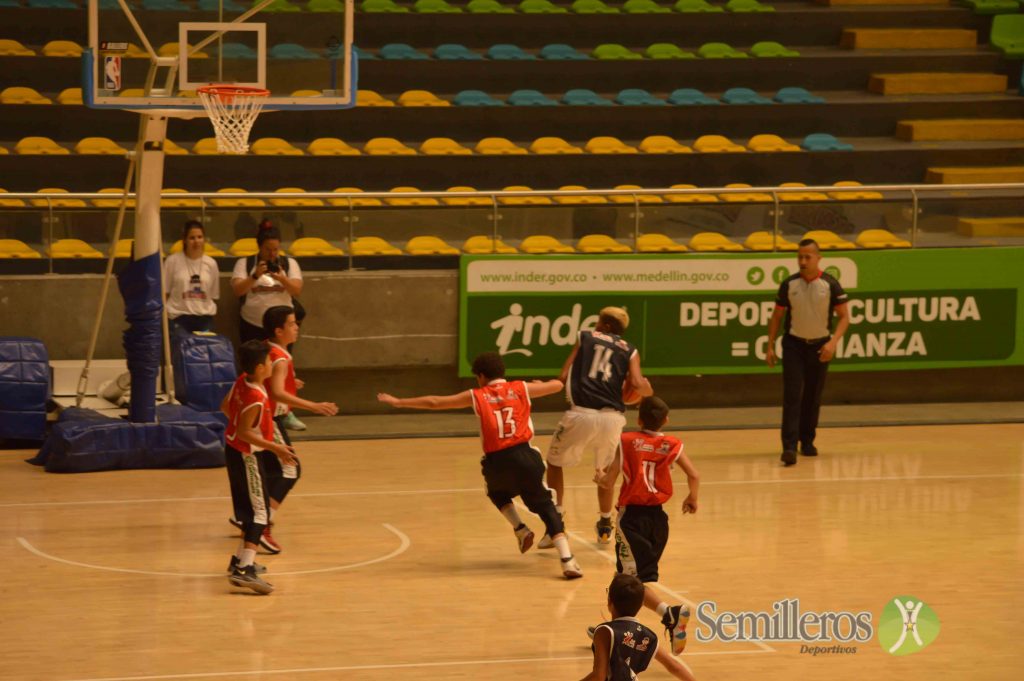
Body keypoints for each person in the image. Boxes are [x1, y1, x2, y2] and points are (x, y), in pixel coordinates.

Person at [377, 352, 584, 580]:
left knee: (495, 491)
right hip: (525, 456)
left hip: (497, 461)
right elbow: (557, 385)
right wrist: (542, 384)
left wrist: (399, 402)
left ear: (482, 376)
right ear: (503, 373)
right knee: (547, 505)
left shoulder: (478, 395)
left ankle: (520, 528)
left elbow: (435, 402)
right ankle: (568, 561)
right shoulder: (521, 388)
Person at [544, 306, 653, 547]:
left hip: (581, 413)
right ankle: (605, 524)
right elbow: (636, 383)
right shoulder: (630, 350)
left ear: (604, 325)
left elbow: (564, 375)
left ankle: (557, 520)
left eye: (598, 322)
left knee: (554, 463)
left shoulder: (585, 336)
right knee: (605, 473)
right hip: (612, 418)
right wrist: (647, 393)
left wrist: (545, 386)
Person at [235, 305, 338, 554]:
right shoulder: (281, 357)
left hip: (260, 418)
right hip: (270, 419)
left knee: (273, 470)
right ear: (279, 330)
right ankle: (262, 525)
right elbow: (278, 392)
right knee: (291, 468)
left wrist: (292, 382)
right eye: (292, 324)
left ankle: (250, 515)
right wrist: (314, 405)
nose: (297, 328)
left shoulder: (266, 347)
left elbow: (272, 381)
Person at [609, 396, 699, 655]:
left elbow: (608, 479)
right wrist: (692, 497)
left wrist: (601, 478)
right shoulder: (672, 444)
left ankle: (667, 614)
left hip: (632, 519)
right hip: (659, 522)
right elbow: (694, 474)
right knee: (623, 579)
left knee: (629, 581)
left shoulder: (626, 441)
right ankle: (615, 627)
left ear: (638, 420)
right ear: (666, 420)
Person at [766, 238, 851, 466]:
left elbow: (845, 318)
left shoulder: (831, 284)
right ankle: (789, 447)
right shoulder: (789, 284)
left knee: (813, 396)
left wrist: (832, 343)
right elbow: (776, 316)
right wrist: (770, 345)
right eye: (799, 257)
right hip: (793, 345)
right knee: (792, 395)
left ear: (818, 258)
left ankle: (808, 441)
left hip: (820, 346)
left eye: (807, 257)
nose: (803, 261)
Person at [221, 340, 297, 595]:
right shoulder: (255, 397)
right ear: (259, 367)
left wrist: (238, 426)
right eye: (267, 362)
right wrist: (275, 448)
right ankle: (245, 570)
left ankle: (240, 561)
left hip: (233, 450)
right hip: (246, 456)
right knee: (260, 513)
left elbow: (225, 407)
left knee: (250, 510)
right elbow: (245, 431)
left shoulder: (243, 380)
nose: (271, 366)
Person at [230, 220, 306, 430]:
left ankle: (285, 413)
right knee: (255, 370)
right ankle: (253, 409)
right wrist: (255, 275)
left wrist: (283, 278)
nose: (272, 254)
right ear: (259, 247)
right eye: (268, 250)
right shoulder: (245, 264)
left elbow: (297, 290)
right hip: (252, 325)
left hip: (281, 329)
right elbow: (238, 290)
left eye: (276, 249)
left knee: (283, 371)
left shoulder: (289, 264)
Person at [581, 574, 696, 681]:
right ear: (642, 605)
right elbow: (674, 666)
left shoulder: (605, 631)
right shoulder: (648, 636)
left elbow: (598, 677)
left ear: (609, 602)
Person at [163, 220, 219, 337]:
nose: (196, 241)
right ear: (184, 240)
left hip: (204, 318)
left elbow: (213, 295)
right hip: (178, 316)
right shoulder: (172, 261)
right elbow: (164, 292)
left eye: (200, 237)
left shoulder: (211, 263)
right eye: (192, 238)